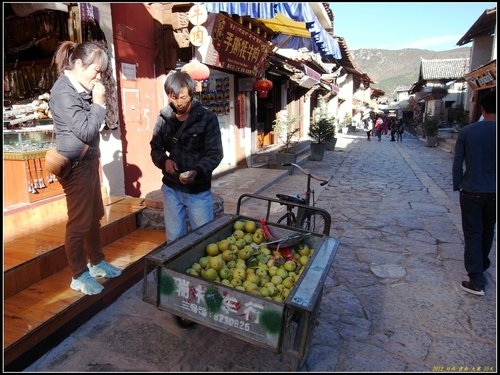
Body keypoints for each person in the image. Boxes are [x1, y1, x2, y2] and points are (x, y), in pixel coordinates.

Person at [49, 41, 122, 295]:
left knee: (93, 219)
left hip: (88, 163)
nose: (98, 76)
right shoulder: (63, 92)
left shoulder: (78, 88)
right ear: (79, 64)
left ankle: (98, 262)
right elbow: (86, 130)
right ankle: (78, 275)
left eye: (102, 71)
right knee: (79, 223)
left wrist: (95, 100)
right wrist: (99, 103)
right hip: (76, 166)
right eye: (96, 70)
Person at [150, 71, 223, 243]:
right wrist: (164, 161)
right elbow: (155, 148)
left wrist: (197, 171)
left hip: (198, 189)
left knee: (204, 238)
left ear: (191, 93)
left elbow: (215, 153)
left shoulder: (207, 118)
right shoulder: (163, 118)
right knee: (174, 238)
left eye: (183, 97)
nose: (178, 103)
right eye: (173, 97)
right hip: (171, 188)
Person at [452, 91, 496, 296]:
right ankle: (482, 265)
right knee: (488, 230)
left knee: (473, 233)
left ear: (482, 109)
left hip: (471, 190)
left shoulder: (468, 131)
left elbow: (457, 160)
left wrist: (458, 183)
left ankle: (476, 279)